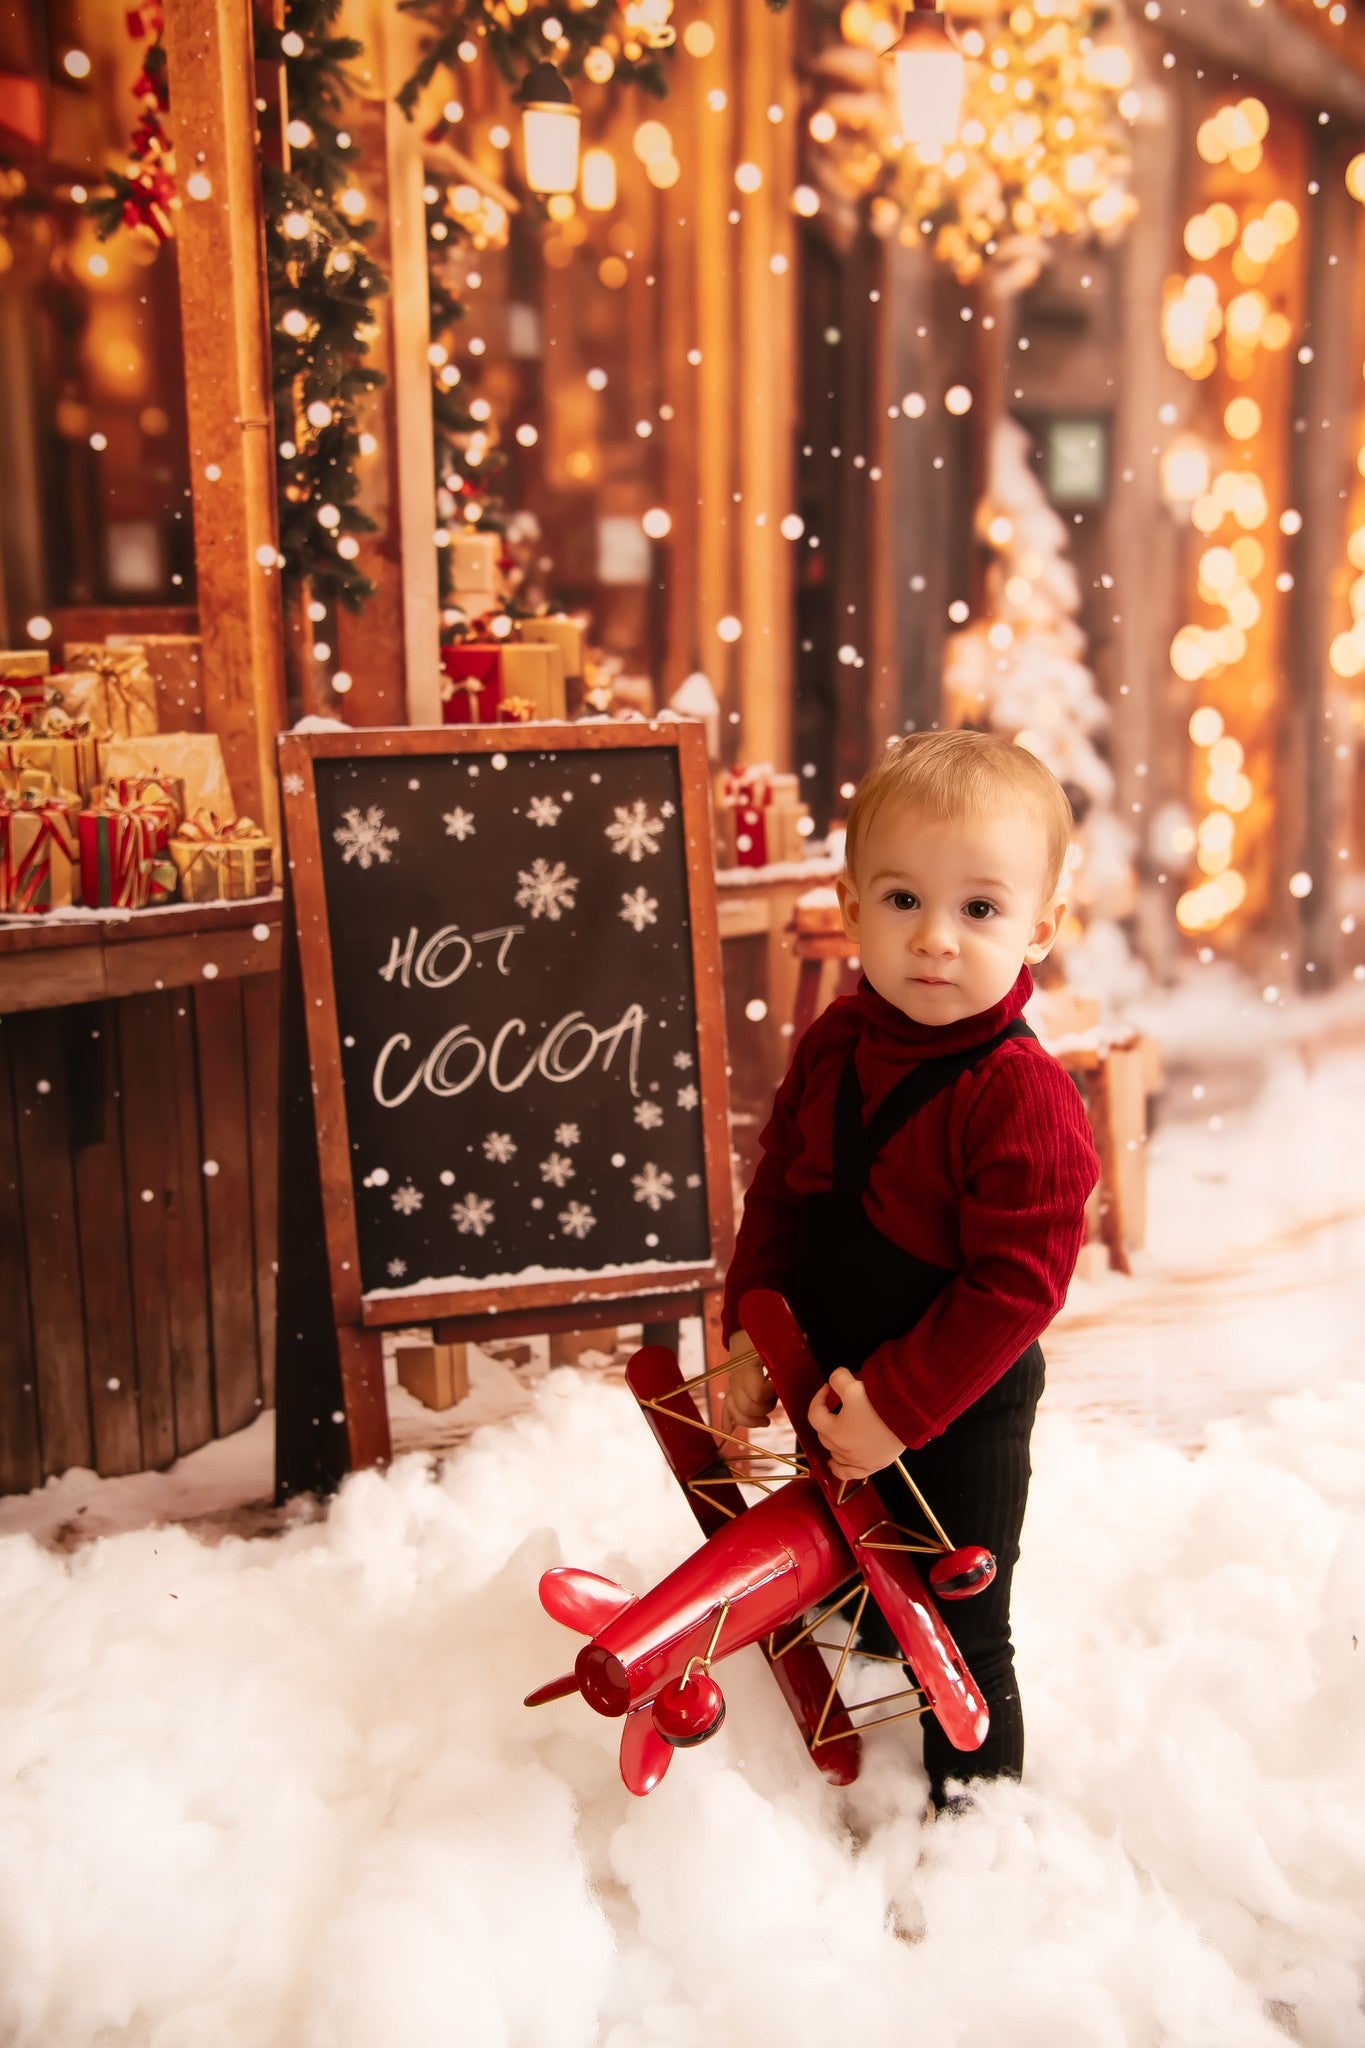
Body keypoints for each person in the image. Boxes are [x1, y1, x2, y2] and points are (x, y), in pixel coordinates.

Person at [719, 729, 1101, 1811]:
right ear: (849, 907)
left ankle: (971, 1818)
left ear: (1042, 923)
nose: (935, 939)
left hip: (958, 1409)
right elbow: (784, 1192)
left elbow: (1018, 1283)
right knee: (851, 1574)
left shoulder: (1019, 1091)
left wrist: (905, 1402)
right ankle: (853, 1757)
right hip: (833, 1387)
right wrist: (753, 1327)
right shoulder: (834, 1040)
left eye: (979, 909)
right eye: (901, 900)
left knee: (957, 1621)